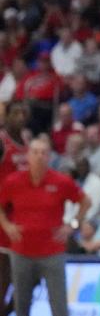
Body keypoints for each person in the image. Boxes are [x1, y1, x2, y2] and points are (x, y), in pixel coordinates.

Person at [0, 137, 90, 316]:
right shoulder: (13, 181)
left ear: (49, 157)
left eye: (44, 153)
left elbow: (85, 201)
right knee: (21, 305)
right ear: (28, 156)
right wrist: (6, 225)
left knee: (59, 306)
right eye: (35, 152)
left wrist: (72, 224)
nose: (39, 156)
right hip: (21, 252)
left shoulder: (61, 181)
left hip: (51, 252)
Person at [0, 102, 30, 313]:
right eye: (16, 113)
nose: (20, 117)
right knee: (3, 275)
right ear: (7, 116)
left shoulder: (27, 142)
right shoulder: (2, 141)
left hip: (23, 216)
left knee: (25, 278)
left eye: (23, 114)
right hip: (4, 215)